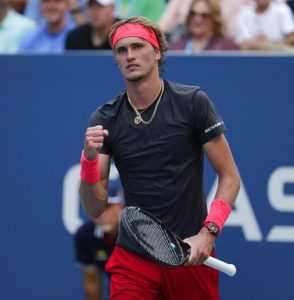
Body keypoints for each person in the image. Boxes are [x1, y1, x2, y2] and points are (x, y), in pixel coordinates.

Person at [79, 16, 240, 299]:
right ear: (116, 59)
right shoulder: (105, 118)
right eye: (121, 50)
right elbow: (95, 208)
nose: (130, 55)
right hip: (134, 257)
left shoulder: (193, 103)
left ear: (157, 52)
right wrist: (89, 161)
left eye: (138, 46)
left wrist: (208, 233)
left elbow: (230, 177)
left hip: (188, 253)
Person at [74, 182, 123, 300]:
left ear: (121, 206)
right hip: (120, 290)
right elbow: (92, 279)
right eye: (95, 208)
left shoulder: (139, 231)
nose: (100, 214)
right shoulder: (85, 235)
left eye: (107, 207)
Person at [169, 0, 239, 52]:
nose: (197, 19)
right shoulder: (177, 45)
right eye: (193, 14)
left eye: (204, 15)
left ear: (214, 19)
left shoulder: (226, 46)